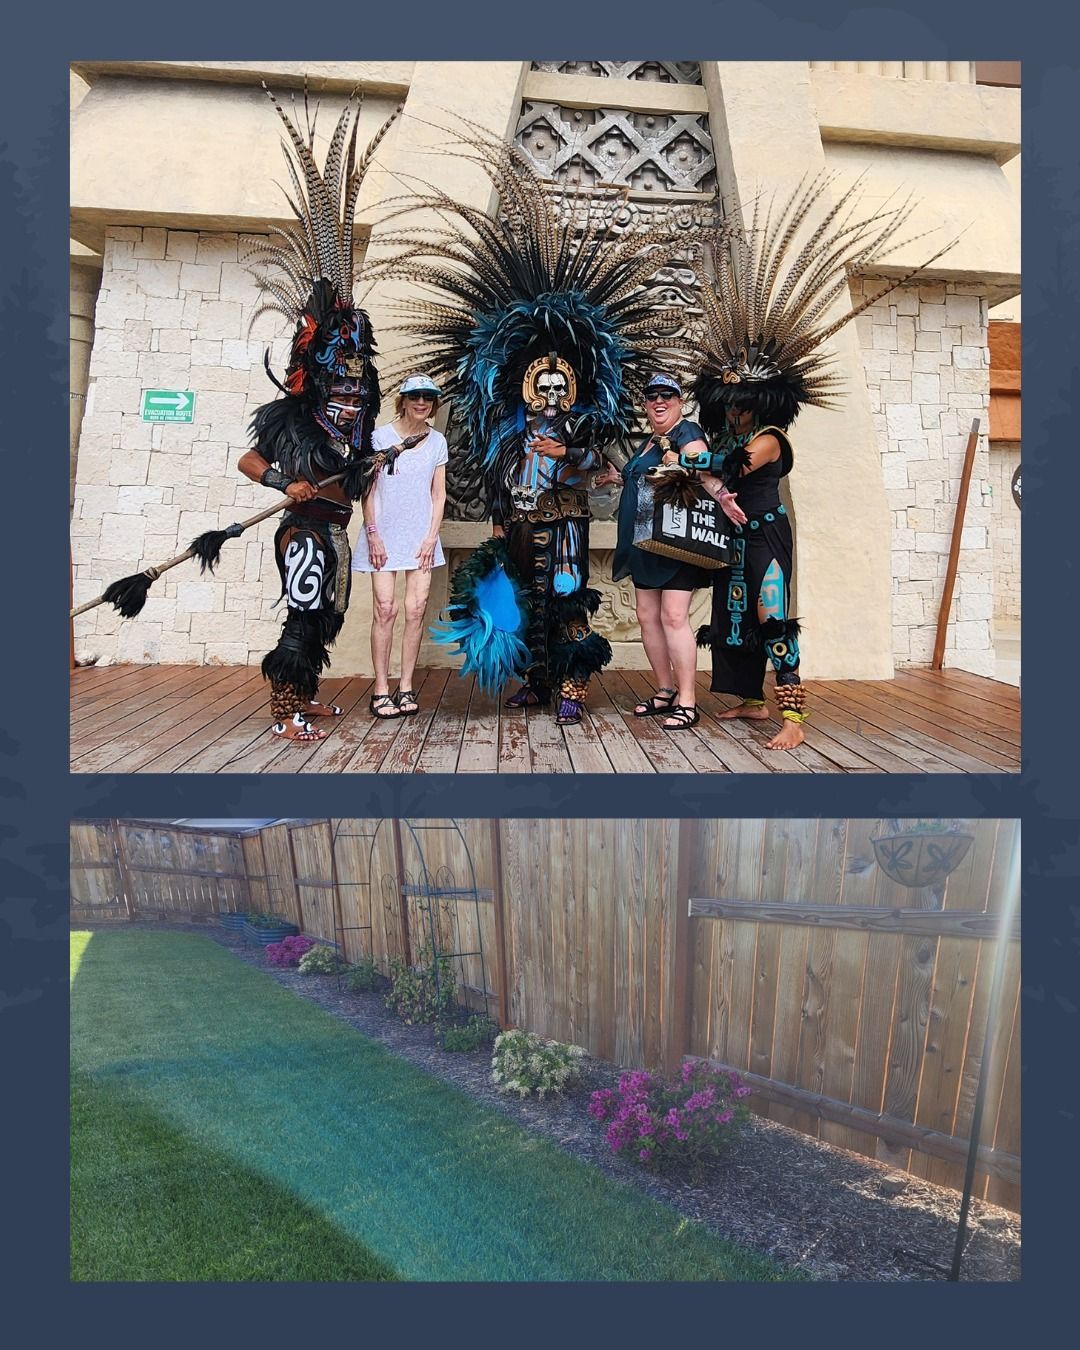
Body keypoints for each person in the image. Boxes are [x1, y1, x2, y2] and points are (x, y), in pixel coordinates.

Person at [365, 121, 691, 726]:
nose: (550, 394)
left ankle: (571, 688)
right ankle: (537, 683)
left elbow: (598, 468)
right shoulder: (510, 428)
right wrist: (497, 522)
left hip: (564, 525)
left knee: (566, 598)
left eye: (559, 386)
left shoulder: (583, 426)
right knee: (526, 603)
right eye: (541, 385)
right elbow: (497, 473)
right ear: (525, 384)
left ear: (573, 387)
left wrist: (569, 457)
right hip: (518, 525)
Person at [688, 171, 955, 749]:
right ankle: (752, 700)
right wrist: (697, 458)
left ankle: (795, 718)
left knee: (771, 614)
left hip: (765, 534)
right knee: (732, 617)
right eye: (728, 404)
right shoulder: (733, 432)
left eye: (741, 404)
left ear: (760, 404)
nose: (733, 411)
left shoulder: (770, 439)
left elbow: (730, 466)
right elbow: (713, 461)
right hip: (732, 536)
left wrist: (695, 458)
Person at [236, 90, 398, 744]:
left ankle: (305, 696)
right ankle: (284, 710)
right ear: (319, 377)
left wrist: (371, 466)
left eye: (359, 389)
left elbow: (358, 472)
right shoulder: (292, 420)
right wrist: (286, 483)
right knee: (302, 616)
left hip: (334, 527)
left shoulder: (356, 432)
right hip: (304, 527)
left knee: (326, 615)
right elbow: (249, 459)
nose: (351, 397)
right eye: (341, 386)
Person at [599, 373, 712, 731]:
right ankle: (665, 690)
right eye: (652, 396)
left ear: (680, 402)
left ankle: (688, 700)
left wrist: (684, 460)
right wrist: (619, 477)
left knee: (674, 617)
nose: (659, 401)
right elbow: (647, 479)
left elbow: (701, 465)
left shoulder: (686, 433)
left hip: (675, 542)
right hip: (644, 541)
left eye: (667, 395)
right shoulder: (651, 440)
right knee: (647, 616)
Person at [352, 375, 448, 719]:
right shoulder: (379, 437)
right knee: (385, 608)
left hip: (421, 536)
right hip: (384, 534)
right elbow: (367, 491)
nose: (421, 402)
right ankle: (381, 688)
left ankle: (406, 686)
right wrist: (373, 533)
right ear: (404, 400)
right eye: (415, 396)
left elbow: (439, 494)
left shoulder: (437, 442)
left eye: (427, 397)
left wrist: (431, 536)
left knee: (416, 608)